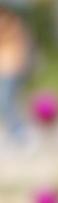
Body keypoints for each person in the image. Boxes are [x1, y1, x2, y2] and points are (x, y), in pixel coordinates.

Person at [0, 7, 30, 141]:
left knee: (6, 101)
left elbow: (22, 49)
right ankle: (15, 131)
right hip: (5, 69)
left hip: (10, 69)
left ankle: (19, 131)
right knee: (8, 101)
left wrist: (21, 65)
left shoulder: (13, 27)